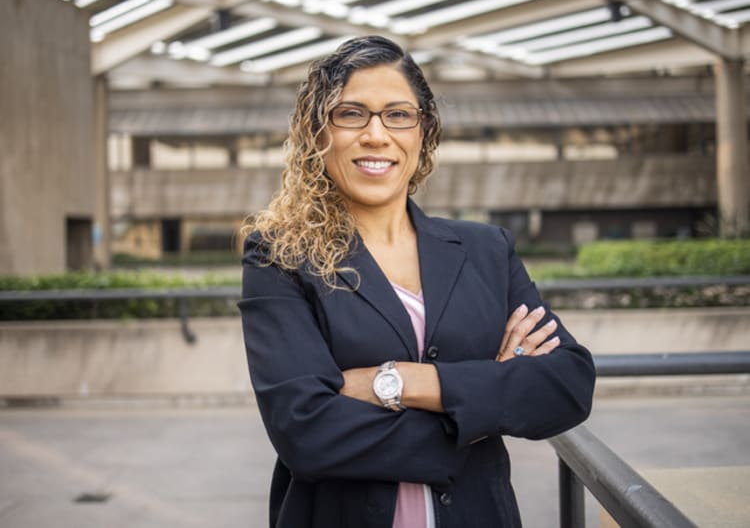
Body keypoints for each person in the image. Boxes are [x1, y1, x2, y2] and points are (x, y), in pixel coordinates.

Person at [239, 35, 595, 528]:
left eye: (398, 114)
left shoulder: (486, 250)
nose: (376, 134)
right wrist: (485, 400)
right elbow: (307, 433)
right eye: (351, 114)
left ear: (423, 131)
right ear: (317, 133)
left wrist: (399, 382)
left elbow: (567, 386)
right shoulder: (280, 254)